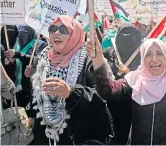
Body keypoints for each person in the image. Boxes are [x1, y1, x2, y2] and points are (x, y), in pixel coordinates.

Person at [27, 15, 115, 145]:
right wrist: (32, 115)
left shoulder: (88, 59)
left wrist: (71, 93)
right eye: (52, 28)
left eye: (63, 29)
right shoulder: (44, 57)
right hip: (45, 137)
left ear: (75, 34)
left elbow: (102, 96)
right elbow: (36, 92)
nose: (56, 32)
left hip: (78, 136)